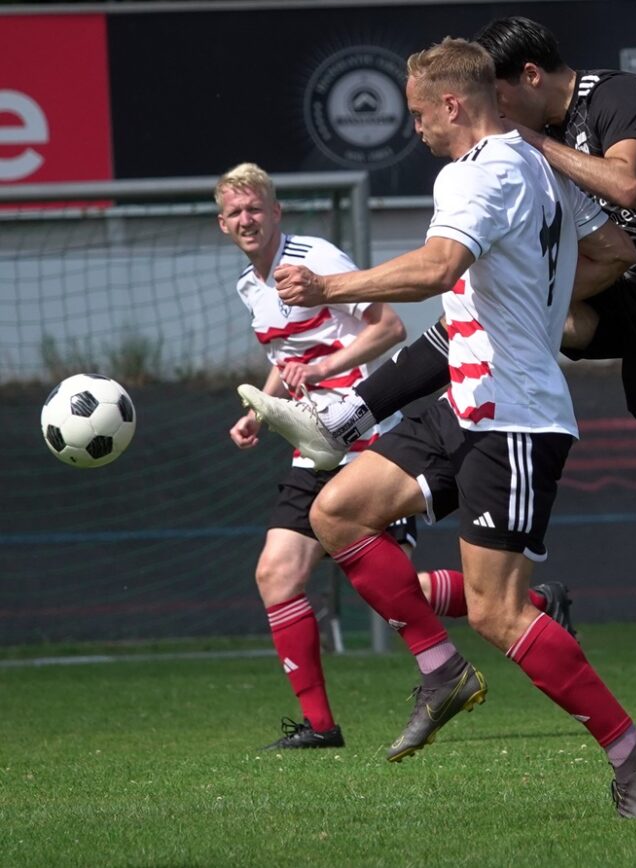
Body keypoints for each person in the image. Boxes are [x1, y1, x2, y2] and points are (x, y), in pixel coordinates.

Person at [253, 16, 636, 672]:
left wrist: (530, 142)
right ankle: (349, 418)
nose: (495, 113)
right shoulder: (509, 155)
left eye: (501, 99)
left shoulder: (617, 96)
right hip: (618, 285)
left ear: (531, 77)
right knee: (485, 314)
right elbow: (610, 249)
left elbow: (626, 185)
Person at [240, 37, 636, 819]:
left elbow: (436, 269)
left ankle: (634, 755)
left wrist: (328, 288)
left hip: (514, 418)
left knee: (498, 612)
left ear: (451, 105)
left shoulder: (477, 172)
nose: (414, 129)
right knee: (336, 512)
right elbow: (612, 248)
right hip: (466, 404)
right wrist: (362, 404)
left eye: (418, 114)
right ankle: (441, 671)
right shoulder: (539, 163)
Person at [222, 163, 578, 750]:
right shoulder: (248, 287)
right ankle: (320, 726)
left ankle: (527, 609)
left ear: (276, 211)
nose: (246, 219)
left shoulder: (315, 258)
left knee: (388, 585)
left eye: (255, 208)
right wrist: (261, 409)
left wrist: (327, 369)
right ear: (222, 223)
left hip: (364, 434)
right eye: (235, 212)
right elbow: (290, 360)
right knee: (276, 574)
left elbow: (387, 327)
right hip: (311, 445)